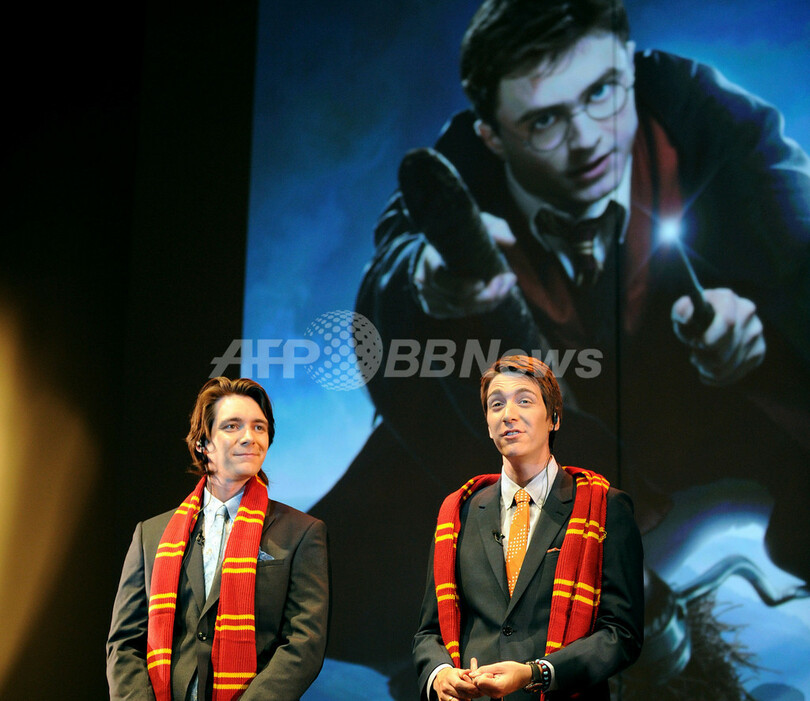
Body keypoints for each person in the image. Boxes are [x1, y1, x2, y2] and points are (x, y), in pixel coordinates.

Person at [310, 0, 810, 694]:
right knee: (368, 576)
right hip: (526, 457)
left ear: (629, 67)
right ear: (492, 135)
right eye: (545, 120)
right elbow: (393, 277)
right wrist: (428, 282)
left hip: (703, 438)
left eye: (602, 93)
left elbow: (800, 259)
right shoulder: (456, 181)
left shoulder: (716, 129)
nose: (587, 141)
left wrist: (760, 339)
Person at [413, 355, 643, 701]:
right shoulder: (459, 512)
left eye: (524, 401)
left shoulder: (603, 508)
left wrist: (536, 673)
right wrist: (439, 673)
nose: (508, 414)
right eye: (496, 405)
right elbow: (428, 632)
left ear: (554, 418)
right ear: (487, 424)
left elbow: (621, 634)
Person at [107, 377, 329, 701]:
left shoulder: (302, 532)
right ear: (203, 443)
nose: (249, 437)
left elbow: (303, 644)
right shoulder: (150, 535)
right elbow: (125, 643)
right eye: (232, 426)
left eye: (259, 427)